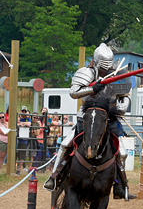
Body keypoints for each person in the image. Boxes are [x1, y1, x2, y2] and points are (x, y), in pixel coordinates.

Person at [44, 43, 136, 200]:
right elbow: (74, 92)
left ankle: (120, 186)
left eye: (107, 66)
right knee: (67, 143)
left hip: (108, 118)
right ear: (96, 61)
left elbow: (124, 98)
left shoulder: (117, 74)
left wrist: (119, 108)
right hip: (87, 116)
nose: (105, 70)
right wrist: (93, 88)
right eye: (103, 66)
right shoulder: (86, 72)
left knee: (122, 152)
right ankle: (55, 177)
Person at [16, 106, 32, 175]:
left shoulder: (28, 119)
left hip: (23, 139)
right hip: (16, 138)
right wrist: (19, 124)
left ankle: (18, 170)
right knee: (15, 154)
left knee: (21, 156)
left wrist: (21, 124)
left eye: (25, 111)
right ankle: (13, 169)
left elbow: (29, 124)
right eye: (23, 111)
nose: (24, 112)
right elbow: (15, 124)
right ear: (20, 111)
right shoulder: (17, 117)